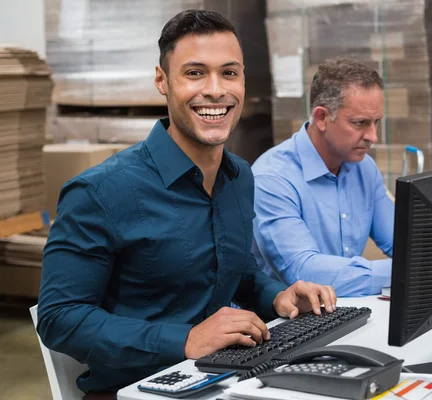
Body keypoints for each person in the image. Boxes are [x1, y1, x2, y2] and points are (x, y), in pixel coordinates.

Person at [36, 10, 336, 398]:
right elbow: (60, 319)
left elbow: (237, 272)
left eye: (229, 73)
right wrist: (186, 340)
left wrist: (277, 296)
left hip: (224, 376)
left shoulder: (239, 177)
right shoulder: (100, 192)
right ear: (162, 81)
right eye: (195, 73)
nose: (215, 90)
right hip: (138, 390)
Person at [251, 58, 395, 298]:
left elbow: (404, 241)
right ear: (321, 118)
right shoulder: (272, 179)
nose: (373, 136)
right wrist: (405, 272)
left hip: (343, 309)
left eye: (376, 122)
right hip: (285, 323)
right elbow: (304, 273)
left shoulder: (364, 169)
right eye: (360, 123)